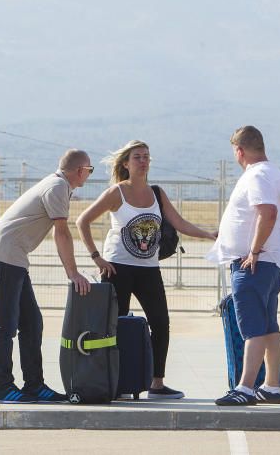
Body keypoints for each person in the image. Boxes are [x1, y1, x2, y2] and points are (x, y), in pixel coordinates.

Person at [75, 140, 217, 400]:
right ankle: (116, 382)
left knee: (161, 322)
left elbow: (180, 223)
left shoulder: (157, 193)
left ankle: (157, 383)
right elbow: (82, 220)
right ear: (126, 163)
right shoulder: (116, 192)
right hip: (117, 267)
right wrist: (97, 258)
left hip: (148, 269)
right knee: (114, 325)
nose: (143, 161)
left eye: (146, 157)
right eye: (137, 157)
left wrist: (209, 234)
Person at [0, 149, 93, 404]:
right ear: (80, 170)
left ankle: (34, 385)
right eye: (89, 170)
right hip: (5, 257)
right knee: (5, 325)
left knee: (32, 324)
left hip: (15, 258)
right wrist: (73, 274)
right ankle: (2, 387)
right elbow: (61, 233)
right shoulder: (57, 187)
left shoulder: (58, 185)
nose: (88, 174)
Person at [208, 126, 280, 406]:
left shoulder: (257, 175)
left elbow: (267, 212)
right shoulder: (273, 172)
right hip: (269, 262)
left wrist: (253, 251)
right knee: (268, 326)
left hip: (255, 263)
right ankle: (272, 385)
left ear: (239, 151)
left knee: (252, 328)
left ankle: (245, 387)